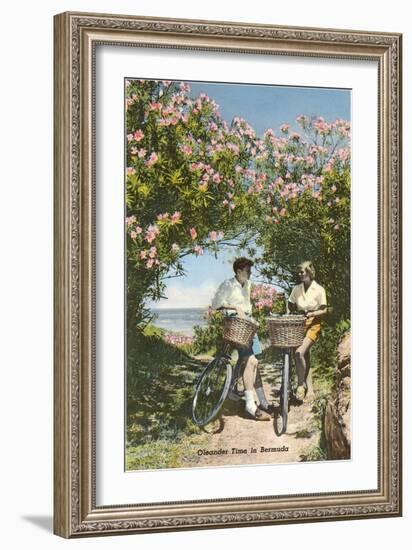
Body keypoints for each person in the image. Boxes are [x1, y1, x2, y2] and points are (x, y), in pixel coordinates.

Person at [211, 257, 273, 420]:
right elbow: (216, 304)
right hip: (236, 325)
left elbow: (247, 306)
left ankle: (262, 402)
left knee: (254, 362)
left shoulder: (248, 284)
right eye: (248, 271)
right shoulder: (228, 284)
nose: (250, 273)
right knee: (250, 361)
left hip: (248, 324)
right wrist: (235, 307)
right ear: (238, 271)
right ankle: (250, 406)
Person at [287, 260, 328, 401]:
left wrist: (312, 314)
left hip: (314, 324)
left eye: (302, 272)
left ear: (309, 272)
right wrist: (289, 314)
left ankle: (301, 384)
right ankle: (310, 389)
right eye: (299, 272)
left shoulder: (319, 289)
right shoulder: (297, 289)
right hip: (299, 323)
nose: (299, 274)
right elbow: (290, 303)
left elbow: (324, 309)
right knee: (304, 356)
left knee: (299, 353)